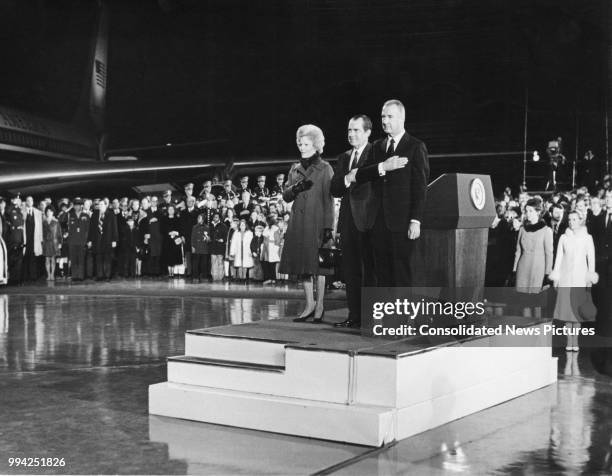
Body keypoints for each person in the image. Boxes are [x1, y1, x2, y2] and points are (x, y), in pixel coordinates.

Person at [351, 99, 430, 286]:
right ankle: (388, 314)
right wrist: (383, 166)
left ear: (402, 118)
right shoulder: (376, 147)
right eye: (383, 117)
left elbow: (420, 187)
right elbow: (360, 175)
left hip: (402, 223)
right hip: (377, 222)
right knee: (382, 274)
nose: (385, 121)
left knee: (402, 273)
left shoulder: (416, 146)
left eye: (390, 116)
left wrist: (415, 220)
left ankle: (403, 315)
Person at [279, 124, 334, 323]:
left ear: (316, 145)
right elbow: (285, 196)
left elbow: (329, 200)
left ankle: (320, 305)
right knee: (303, 265)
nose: (302, 147)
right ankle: (309, 304)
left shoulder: (325, 168)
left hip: (317, 223)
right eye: (300, 143)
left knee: (318, 266)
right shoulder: (294, 168)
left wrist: (329, 227)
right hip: (298, 223)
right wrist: (296, 187)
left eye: (306, 143)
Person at [330, 115, 377, 328]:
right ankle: (354, 316)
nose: (351, 134)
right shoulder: (343, 158)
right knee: (350, 270)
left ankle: (371, 317)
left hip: (370, 221)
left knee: (370, 271)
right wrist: (347, 178)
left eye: (356, 130)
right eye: (349, 130)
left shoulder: (376, 153)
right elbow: (335, 188)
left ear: (367, 132)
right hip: (348, 221)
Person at [549, 210, 598, 351]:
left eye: (575, 219)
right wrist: (556, 277)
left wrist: (590, 277)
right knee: (566, 312)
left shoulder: (587, 238)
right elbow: (558, 258)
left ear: (580, 220)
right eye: (570, 219)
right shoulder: (564, 238)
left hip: (580, 279)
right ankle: (568, 340)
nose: (572, 222)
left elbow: (591, 259)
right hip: (565, 278)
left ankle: (575, 341)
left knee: (576, 312)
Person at [512, 198, 553, 316]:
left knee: (536, 305)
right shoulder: (522, 229)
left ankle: (538, 333)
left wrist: (547, 274)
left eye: (531, 211)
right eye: (526, 211)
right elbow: (518, 252)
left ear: (538, 212)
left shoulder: (546, 230)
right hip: (522, 269)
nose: (528, 214)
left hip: (538, 271)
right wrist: (514, 271)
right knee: (524, 303)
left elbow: (549, 254)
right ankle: (527, 333)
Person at [87, 200, 118, 281]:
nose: (100, 206)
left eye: (102, 204)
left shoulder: (111, 215)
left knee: (107, 258)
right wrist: (89, 240)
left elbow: (115, 228)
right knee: (98, 258)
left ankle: (107, 276)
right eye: (99, 204)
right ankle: (100, 275)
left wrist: (114, 240)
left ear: (106, 205)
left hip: (107, 240)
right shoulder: (95, 214)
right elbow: (91, 228)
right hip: (97, 240)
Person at [22, 196, 43, 281]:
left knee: (34, 257)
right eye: (28, 200)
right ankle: (26, 276)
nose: (30, 202)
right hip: (26, 238)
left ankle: (33, 276)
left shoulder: (38, 212)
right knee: (26, 257)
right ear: (26, 202)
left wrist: (41, 239)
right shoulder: (22, 212)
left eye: (31, 200)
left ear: (33, 202)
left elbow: (40, 226)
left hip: (35, 238)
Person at [161, 204, 183, 278]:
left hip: (175, 241)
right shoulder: (164, 219)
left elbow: (180, 229)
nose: (171, 211)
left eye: (172, 209)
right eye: (169, 209)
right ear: (167, 210)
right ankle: (169, 273)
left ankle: (172, 273)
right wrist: (168, 233)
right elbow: (161, 229)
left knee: (174, 257)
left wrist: (176, 232)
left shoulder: (177, 218)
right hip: (167, 241)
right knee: (167, 256)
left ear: (174, 210)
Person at [42, 207, 62, 280]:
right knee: (47, 259)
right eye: (47, 211)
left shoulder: (56, 222)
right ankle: (48, 275)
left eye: (50, 211)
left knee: (53, 259)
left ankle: (52, 274)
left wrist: (60, 243)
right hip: (46, 242)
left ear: (53, 212)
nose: (49, 212)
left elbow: (59, 233)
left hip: (54, 242)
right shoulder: (43, 222)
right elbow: (42, 233)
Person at [191, 213, 211, 283]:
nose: (198, 219)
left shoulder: (207, 227)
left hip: (204, 248)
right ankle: (195, 277)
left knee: (204, 264)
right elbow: (193, 238)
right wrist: (193, 246)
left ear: (202, 219)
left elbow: (209, 239)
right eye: (198, 218)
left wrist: (208, 239)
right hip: (197, 248)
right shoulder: (195, 227)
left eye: (199, 218)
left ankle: (204, 277)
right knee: (195, 264)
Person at [209, 212, 227, 281]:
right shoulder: (210, 226)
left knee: (220, 262)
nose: (215, 218)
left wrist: (223, 240)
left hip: (220, 247)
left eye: (216, 217)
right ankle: (214, 277)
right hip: (213, 247)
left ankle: (220, 277)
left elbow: (225, 236)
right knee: (213, 263)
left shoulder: (223, 226)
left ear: (219, 218)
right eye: (214, 217)